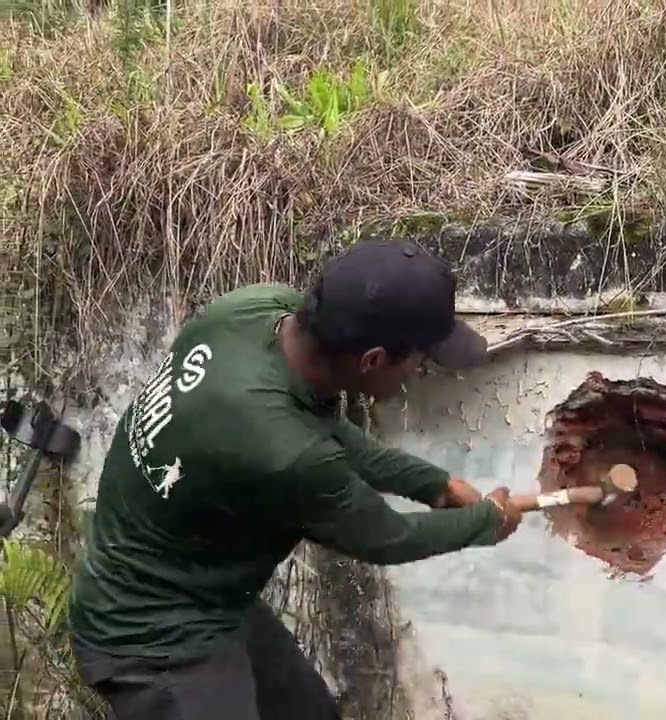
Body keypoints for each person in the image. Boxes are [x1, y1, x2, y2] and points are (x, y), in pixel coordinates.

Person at [66, 238, 525, 719]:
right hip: (149, 634)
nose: (418, 370)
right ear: (371, 360)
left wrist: (433, 483)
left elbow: (327, 431)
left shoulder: (254, 310)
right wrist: (486, 522)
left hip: (207, 596)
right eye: (418, 359)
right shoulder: (284, 452)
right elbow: (388, 537)